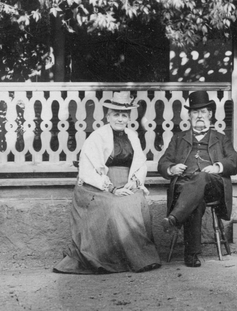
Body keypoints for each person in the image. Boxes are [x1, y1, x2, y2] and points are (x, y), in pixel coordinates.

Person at [53, 91, 161, 274]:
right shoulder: (97, 137)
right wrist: (112, 188)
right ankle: (111, 259)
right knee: (115, 205)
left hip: (126, 183)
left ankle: (141, 258)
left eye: (124, 115)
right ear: (108, 116)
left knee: (136, 200)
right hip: (96, 187)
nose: (120, 119)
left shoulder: (132, 136)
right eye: (116, 114)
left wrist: (135, 181)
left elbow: (140, 164)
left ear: (129, 118)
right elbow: (88, 170)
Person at [157, 90, 237, 267]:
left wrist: (217, 167)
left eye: (203, 112)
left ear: (210, 114)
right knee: (195, 200)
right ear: (189, 116)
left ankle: (174, 218)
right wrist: (172, 168)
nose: (199, 116)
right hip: (185, 186)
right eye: (195, 112)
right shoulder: (178, 138)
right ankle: (191, 254)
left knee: (202, 177)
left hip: (213, 186)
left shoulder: (221, 138)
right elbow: (163, 162)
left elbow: (234, 161)